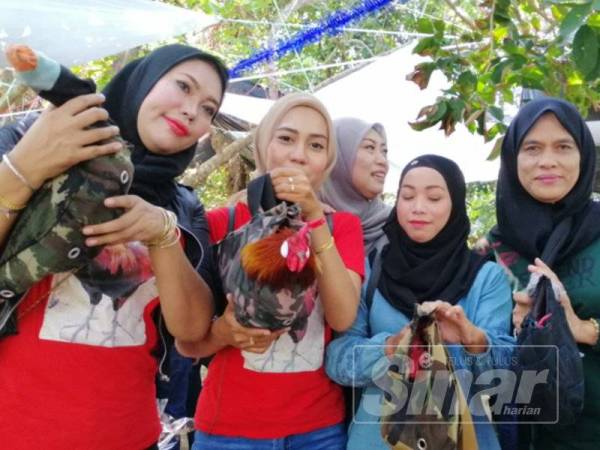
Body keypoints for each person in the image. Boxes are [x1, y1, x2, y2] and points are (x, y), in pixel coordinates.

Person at [0, 44, 227, 449]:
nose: (193, 111)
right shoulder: (32, 139)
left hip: (128, 433)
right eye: (183, 86)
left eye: (209, 108)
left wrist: (163, 234)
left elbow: (191, 330)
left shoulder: (185, 206)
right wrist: (26, 167)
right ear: (142, 80)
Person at [176, 93, 365, 450]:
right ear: (264, 144)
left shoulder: (342, 227)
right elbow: (187, 342)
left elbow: (342, 317)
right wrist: (223, 333)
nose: (299, 154)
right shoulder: (222, 223)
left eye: (316, 145)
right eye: (286, 138)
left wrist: (313, 217)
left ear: (327, 160)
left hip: (317, 430)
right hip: (228, 431)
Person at [325, 154, 515, 450]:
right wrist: (390, 346)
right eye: (407, 195)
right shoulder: (373, 268)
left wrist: (471, 339)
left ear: (455, 204)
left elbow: (508, 371)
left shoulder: (485, 277)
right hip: (376, 440)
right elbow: (337, 360)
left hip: (460, 438)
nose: (418, 208)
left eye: (435, 197)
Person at [485, 97, 600, 450]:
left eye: (563, 146)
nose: (547, 161)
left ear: (583, 154)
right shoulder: (491, 250)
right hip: (522, 433)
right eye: (532, 147)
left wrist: (582, 329)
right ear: (512, 158)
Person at [320, 117, 391, 255]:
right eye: (370, 147)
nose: (383, 161)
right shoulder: (299, 217)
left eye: (384, 151)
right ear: (339, 156)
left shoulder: (394, 224)